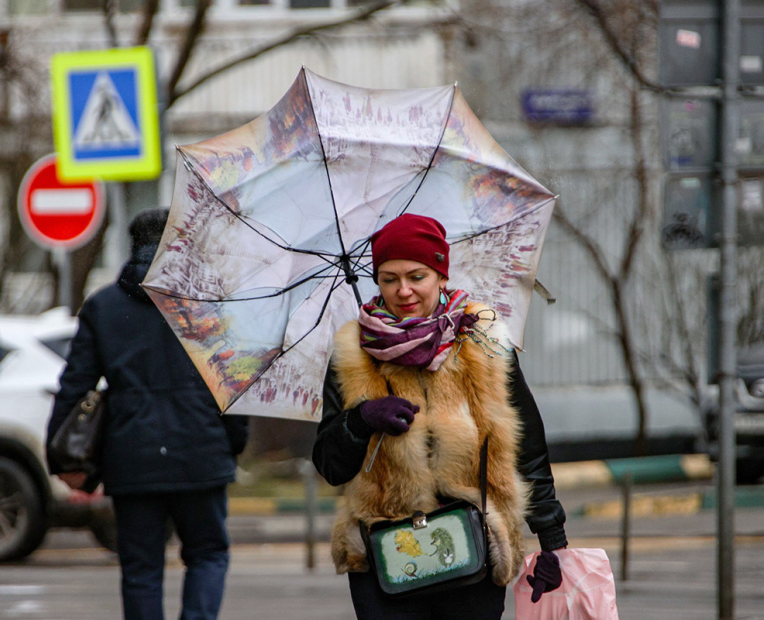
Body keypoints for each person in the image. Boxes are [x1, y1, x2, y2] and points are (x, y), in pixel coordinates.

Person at [312, 214, 567, 619]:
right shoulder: (352, 354)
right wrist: (360, 421)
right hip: (386, 558)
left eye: (417, 276)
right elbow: (330, 465)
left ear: (441, 275)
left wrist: (552, 539)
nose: (403, 290)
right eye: (389, 278)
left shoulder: (483, 343)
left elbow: (527, 448)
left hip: (475, 551)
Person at [47, 208, 249, 620]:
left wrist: (61, 454)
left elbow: (74, 386)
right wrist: (232, 442)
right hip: (202, 453)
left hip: (132, 459)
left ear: (132, 245)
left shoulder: (103, 307)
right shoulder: (211, 303)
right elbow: (234, 383)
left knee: (141, 569)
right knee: (208, 554)